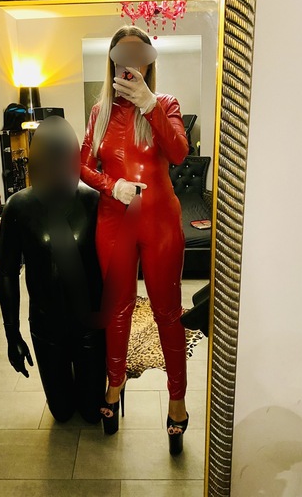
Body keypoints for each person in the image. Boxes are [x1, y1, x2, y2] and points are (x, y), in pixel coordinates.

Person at [81, 25, 190, 454]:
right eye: (121, 57)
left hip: (160, 221)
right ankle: (115, 383)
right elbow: (82, 165)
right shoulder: (99, 112)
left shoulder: (166, 104)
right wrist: (112, 186)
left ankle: (177, 400)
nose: (129, 65)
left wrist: (149, 105)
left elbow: (179, 152)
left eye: (137, 56)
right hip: (115, 219)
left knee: (167, 312)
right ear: (111, 62)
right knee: (117, 308)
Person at [0, 116, 106, 424]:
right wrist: (12, 334)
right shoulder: (18, 207)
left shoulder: (94, 202)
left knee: (92, 412)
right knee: (61, 412)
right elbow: (7, 273)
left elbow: (115, 268)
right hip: (47, 326)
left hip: (90, 324)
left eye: (63, 160)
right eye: (49, 161)